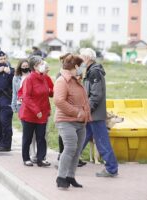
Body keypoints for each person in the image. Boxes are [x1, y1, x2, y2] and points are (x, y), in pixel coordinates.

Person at [53, 54, 92, 188]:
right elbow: (59, 101)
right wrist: (78, 112)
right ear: (76, 66)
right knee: (70, 148)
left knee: (77, 150)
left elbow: (83, 100)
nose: (83, 68)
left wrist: (86, 115)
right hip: (66, 120)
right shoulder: (62, 81)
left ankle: (70, 176)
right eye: (81, 65)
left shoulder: (76, 80)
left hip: (80, 121)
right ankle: (60, 177)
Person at [80, 48, 119, 177]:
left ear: (88, 58)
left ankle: (111, 168)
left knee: (102, 141)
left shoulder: (94, 72)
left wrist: (87, 110)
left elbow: (95, 95)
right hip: (92, 114)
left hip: (94, 114)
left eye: (82, 57)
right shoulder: (91, 71)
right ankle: (69, 161)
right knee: (82, 138)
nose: (81, 60)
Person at [18, 56, 51, 167]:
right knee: (27, 138)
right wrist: (36, 110)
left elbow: (47, 93)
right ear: (34, 67)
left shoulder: (44, 78)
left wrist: (48, 109)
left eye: (43, 63)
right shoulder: (29, 79)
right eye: (40, 64)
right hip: (29, 114)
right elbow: (26, 97)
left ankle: (41, 159)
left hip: (42, 113)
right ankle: (26, 158)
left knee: (41, 137)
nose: (43, 66)